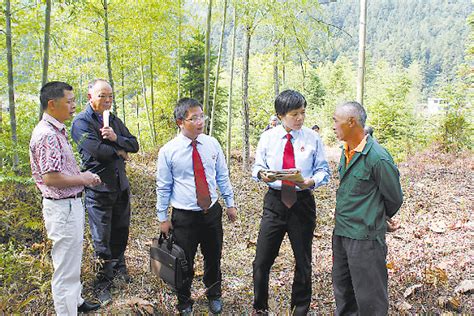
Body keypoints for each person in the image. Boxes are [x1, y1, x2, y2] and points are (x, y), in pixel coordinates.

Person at [252, 90, 330, 315]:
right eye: (294, 114)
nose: (300, 118)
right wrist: (262, 175)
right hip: (275, 202)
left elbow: (324, 170)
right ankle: (260, 307)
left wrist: (310, 181)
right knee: (261, 260)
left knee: (303, 260)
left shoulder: (312, 138)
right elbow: (257, 166)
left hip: (302, 203)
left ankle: (300, 309)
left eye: (303, 113)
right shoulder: (268, 137)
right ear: (280, 114)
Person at [156, 98, 237, 315]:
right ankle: (184, 301)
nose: (200, 122)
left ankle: (214, 294)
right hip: (184, 216)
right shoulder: (168, 151)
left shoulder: (212, 143)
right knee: (183, 261)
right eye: (194, 118)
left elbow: (222, 175)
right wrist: (163, 217)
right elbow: (163, 186)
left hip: (211, 211)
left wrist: (230, 203)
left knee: (213, 256)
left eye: (202, 116)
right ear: (180, 122)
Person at [29, 81, 101, 314]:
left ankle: (76, 301)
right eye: (69, 101)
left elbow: (62, 171)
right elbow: (51, 178)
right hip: (62, 208)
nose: (73, 106)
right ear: (52, 104)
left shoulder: (56, 129)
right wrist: (85, 179)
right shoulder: (47, 135)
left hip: (70, 205)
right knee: (64, 267)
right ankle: (66, 311)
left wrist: (81, 176)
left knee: (72, 259)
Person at [71, 79, 139, 305]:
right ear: (90, 96)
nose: (107, 100)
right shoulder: (81, 122)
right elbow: (96, 151)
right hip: (98, 189)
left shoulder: (112, 119)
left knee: (121, 231)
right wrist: (119, 151)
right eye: (102, 96)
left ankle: (119, 268)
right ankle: (102, 283)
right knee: (102, 239)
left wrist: (117, 139)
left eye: (110, 96)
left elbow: (134, 144)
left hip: (120, 186)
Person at [331, 101, 403, 315]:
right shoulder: (347, 151)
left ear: (351, 122)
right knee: (344, 293)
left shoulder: (377, 157)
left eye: (336, 121)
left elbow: (394, 197)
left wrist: (376, 217)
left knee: (370, 298)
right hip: (342, 233)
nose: (333, 126)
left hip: (365, 239)